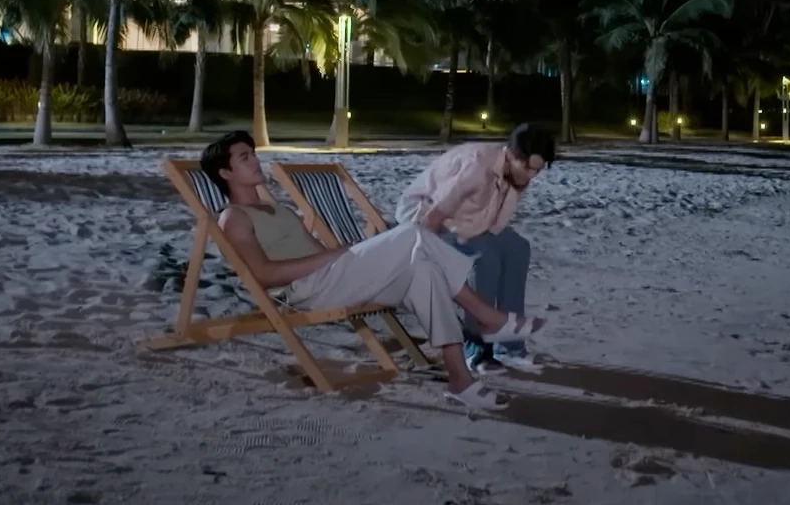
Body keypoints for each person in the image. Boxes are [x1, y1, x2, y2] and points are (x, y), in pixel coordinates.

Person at [201, 131, 541, 410]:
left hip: (332, 277)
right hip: (306, 290)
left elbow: (322, 253)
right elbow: (264, 275)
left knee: (425, 271)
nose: (254, 160)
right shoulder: (233, 218)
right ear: (225, 173)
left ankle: (460, 380)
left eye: (252, 153)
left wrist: (342, 256)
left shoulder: (276, 208)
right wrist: (335, 255)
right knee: (411, 233)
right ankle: (487, 316)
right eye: (244, 157)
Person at [396, 123, 555, 374]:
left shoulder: (515, 172)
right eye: (528, 167)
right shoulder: (476, 168)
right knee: (485, 258)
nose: (532, 175)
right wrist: (422, 257)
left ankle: (509, 347)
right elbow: (434, 216)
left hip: (470, 221)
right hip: (427, 219)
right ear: (512, 154)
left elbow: (492, 219)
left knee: (517, 248)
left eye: (538, 169)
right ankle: (475, 346)